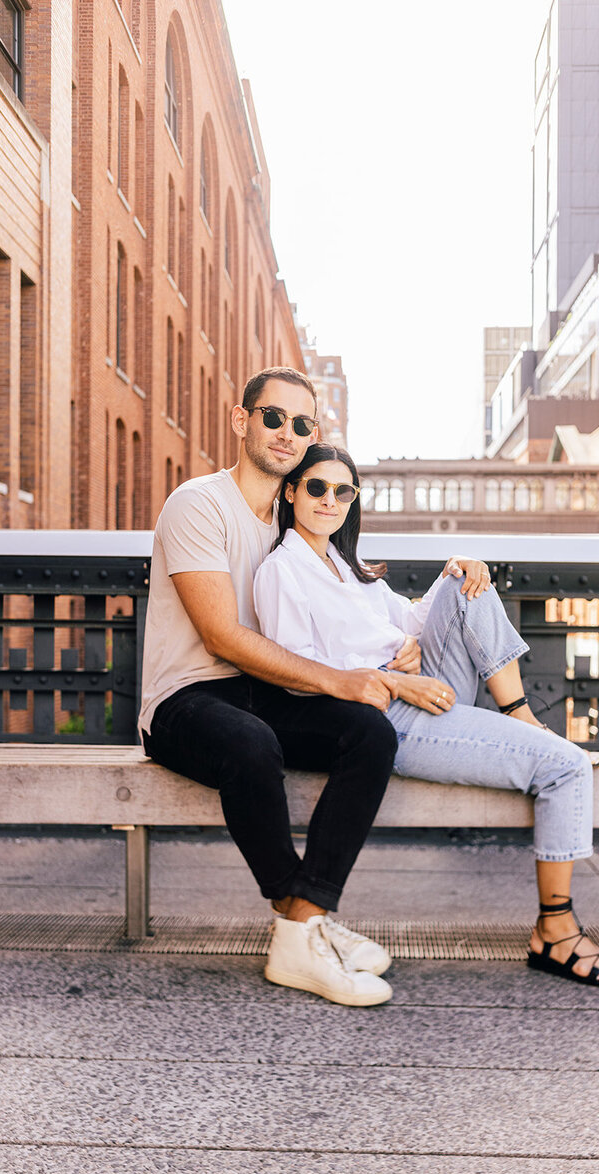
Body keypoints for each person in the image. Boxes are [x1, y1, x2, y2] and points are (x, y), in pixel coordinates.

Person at [253, 442, 599, 989]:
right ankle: (556, 931)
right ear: (291, 492)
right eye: (316, 487)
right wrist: (391, 674)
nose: (329, 500)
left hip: (417, 689)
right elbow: (299, 670)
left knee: (464, 580)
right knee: (566, 765)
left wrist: (454, 576)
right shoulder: (282, 571)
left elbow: (409, 619)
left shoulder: (341, 561)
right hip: (384, 717)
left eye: (343, 490)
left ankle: (520, 714)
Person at [139, 368, 411, 1008]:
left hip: (261, 690)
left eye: (302, 423)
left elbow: (350, 610)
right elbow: (220, 637)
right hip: (185, 699)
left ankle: (305, 919)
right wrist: (339, 679)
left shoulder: (293, 524)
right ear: (242, 421)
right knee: (252, 743)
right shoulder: (198, 503)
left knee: (369, 733)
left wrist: (397, 646)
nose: (288, 433)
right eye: (273, 417)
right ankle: (301, 927)